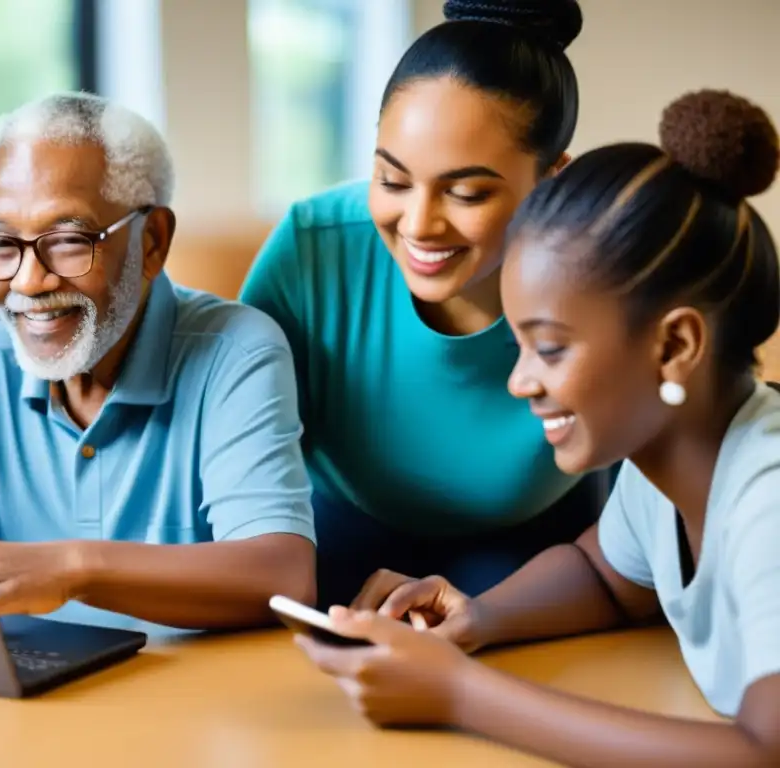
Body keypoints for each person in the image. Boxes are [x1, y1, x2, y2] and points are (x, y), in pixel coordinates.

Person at [297, 89, 780, 766]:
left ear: (674, 346)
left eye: (549, 349)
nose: (520, 381)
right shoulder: (669, 464)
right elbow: (605, 573)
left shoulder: (767, 503)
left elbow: (764, 754)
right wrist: (479, 616)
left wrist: (461, 695)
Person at [0, 92, 316, 635]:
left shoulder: (236, 352)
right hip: (19, 703)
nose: (27, 282)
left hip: (191, 705)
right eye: (1, 242)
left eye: (67, 240)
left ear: (152, 242)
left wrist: (71, 569)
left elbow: (284, 576)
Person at [240, 0, 607, 608]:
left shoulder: (604, 275)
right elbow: (239, 451)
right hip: (332, 540)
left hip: (539, 551)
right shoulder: (312, 250)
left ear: (552, 180)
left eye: (465, 192)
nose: (419, 224)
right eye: (392, 180)